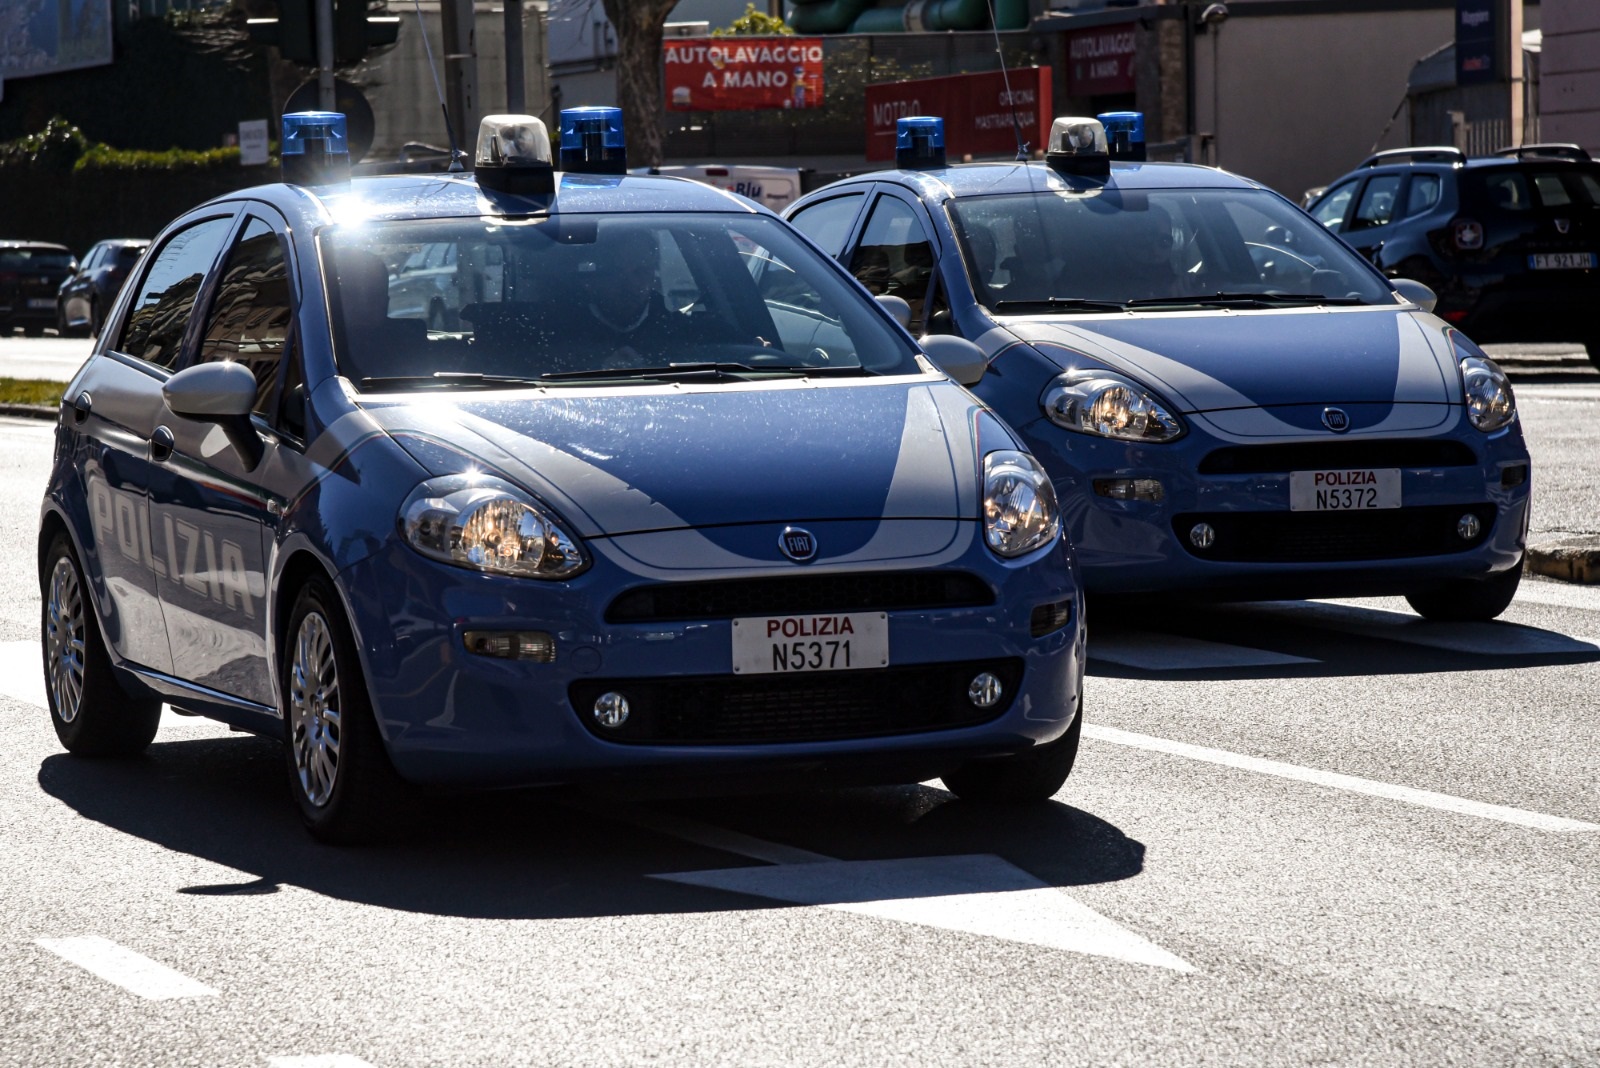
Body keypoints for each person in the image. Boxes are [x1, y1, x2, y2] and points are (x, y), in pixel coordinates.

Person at [575, 225, 686, 367]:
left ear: (653, 276)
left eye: (641, 271)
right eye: (616, 272)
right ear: (592, 278)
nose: (629, 284)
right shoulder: (560, 331)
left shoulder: (678, 330)